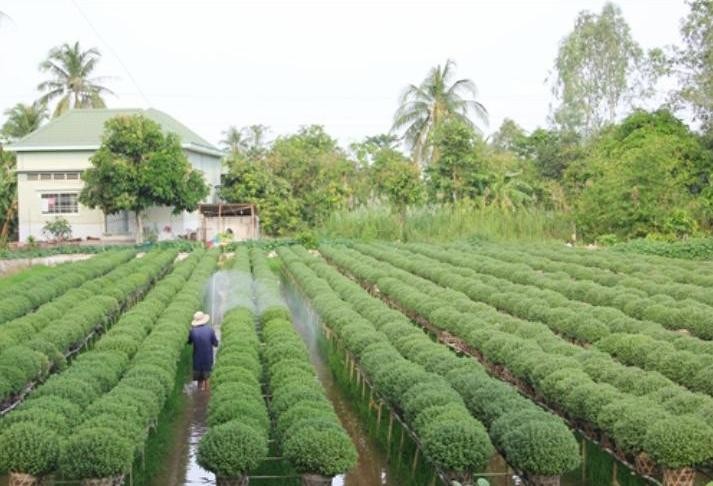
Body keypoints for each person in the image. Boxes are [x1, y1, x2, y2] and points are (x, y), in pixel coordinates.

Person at [187, 311, 219, 391]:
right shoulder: (210, 330)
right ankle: (206, 393)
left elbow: (189, 342)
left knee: (199, 379)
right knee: (207, 377)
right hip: (207, 357)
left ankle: (199, 392)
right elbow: (215, 343)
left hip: (197, 358)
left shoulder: (192, 331)